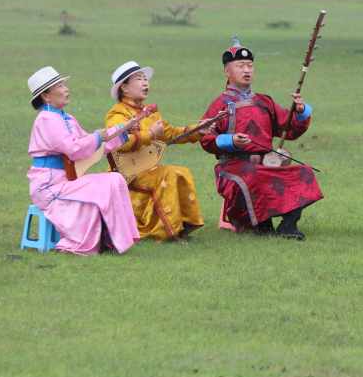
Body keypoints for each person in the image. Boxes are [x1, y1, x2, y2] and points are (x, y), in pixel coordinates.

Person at [200, 39, 322, 240]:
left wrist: (300, 111)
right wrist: (231, 141)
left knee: (304, 173)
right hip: (233, 167)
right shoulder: (220, 104)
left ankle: (288, 225)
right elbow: (206, 138)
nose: (247, 70)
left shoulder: (264, 101)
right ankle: (261, 224)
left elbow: (289, 129)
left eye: (250, 66)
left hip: (266, 164)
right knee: (253, 176)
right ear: (227, 71)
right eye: (240, 66)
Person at [26, 66, 141, 255]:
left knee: (115, 179)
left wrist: (123, 132)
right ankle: (81, 243)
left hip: (67, 179)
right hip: (49, 185)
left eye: (64, 84)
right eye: (60, 86)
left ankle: (117, 239)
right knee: (101, 188)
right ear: (46, 96)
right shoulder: (46, 119)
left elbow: (90, 147)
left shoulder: (67, 118)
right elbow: (74, 149)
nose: (66, 89)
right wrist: (99, 137)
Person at [105, 61, 206, 242]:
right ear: (124, 88)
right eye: (139, 79)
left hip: (148, 168)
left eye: (145, 79)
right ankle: (168, 232)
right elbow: (118, 143)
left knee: (181, 172)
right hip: (127, 172)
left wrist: (198, 130)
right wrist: (150, 135)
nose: (145, 82)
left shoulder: (149, 113)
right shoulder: (117, 114)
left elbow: (170, 133)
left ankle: (184, 224)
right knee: (168, 174)